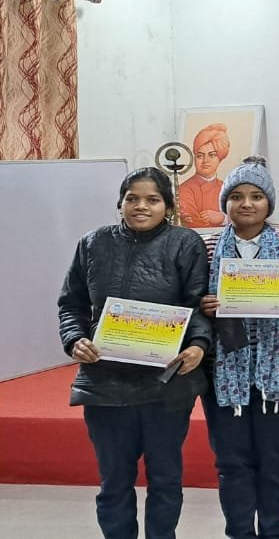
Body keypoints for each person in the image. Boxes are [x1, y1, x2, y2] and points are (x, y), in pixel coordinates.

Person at [58, 167, 211, 539]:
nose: (141, 206)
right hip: (105, 384)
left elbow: (198, 304)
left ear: (168, 207)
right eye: (132, 198)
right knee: (114, 482)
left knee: (165, 479)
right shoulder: (93, 243)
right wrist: (75, 339)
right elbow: (71, 304)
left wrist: (198, 345)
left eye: (152, 199)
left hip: (166, 384)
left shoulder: (185, 243)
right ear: (120, 203)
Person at [199, 158, 279, 539]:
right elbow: (190, 301)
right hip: (223, 370)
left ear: (269, 202)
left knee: (273, 459)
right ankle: (240, 532)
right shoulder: (206, 246)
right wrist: (204, 305)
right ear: (225, 202)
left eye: (256, 196)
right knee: (231, 460)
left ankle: (272, 532)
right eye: (237, 196)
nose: (246, 204)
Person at [181, 122, 232, 227]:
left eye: (212, 155)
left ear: (220, 158)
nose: (205, 161)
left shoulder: (226, 187)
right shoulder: (185, 189)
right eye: (200, 155)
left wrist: (222, 218)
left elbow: (243, 219)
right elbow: (192, 223)